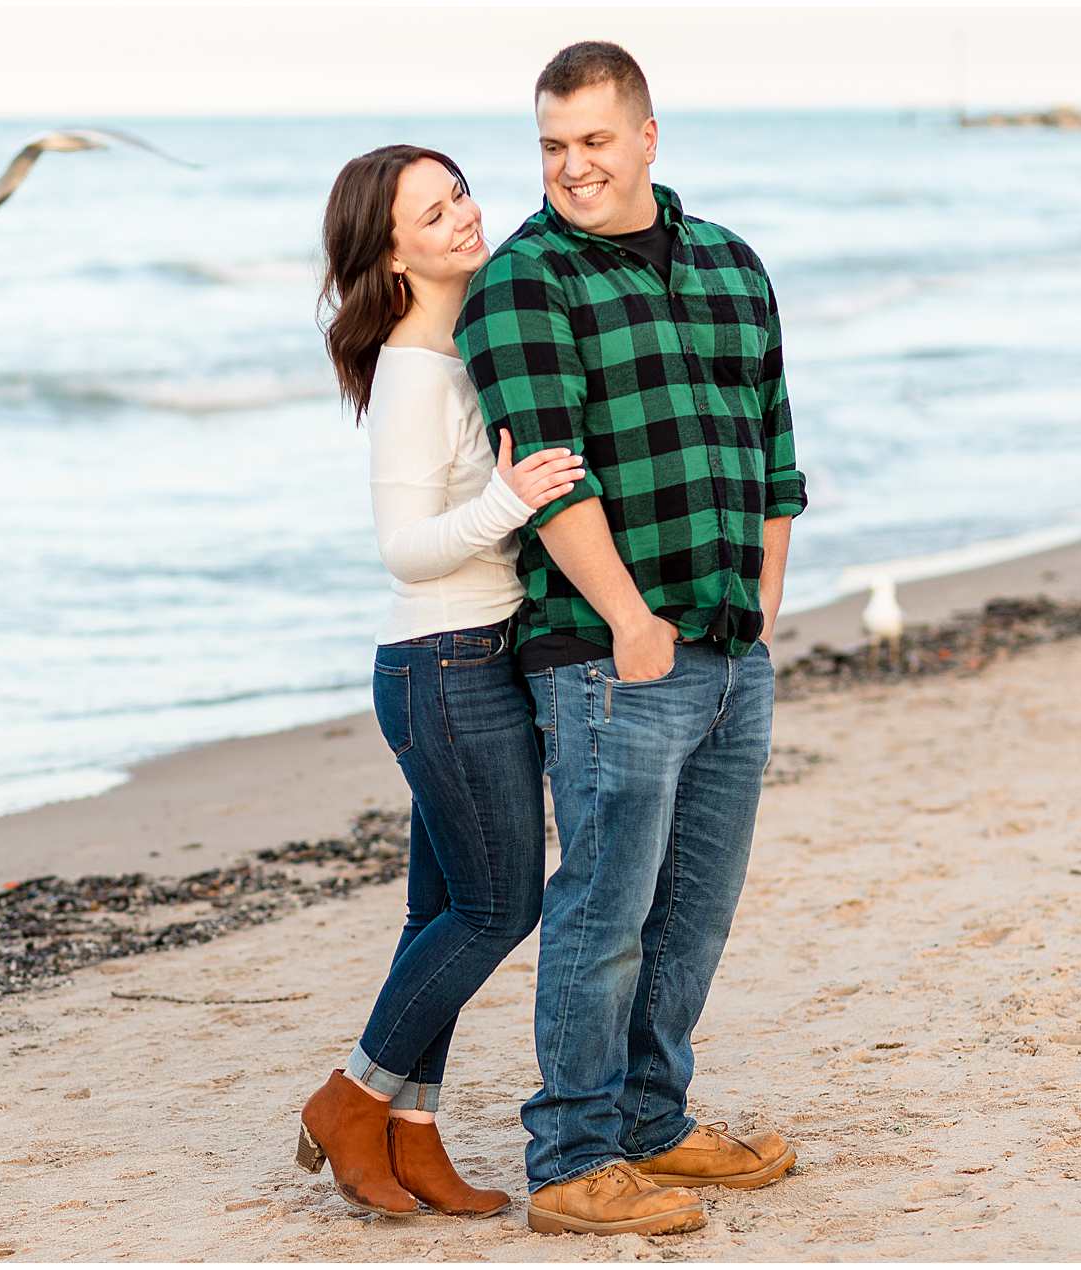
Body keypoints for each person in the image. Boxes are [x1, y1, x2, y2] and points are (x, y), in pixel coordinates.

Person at [454, 41, 808, 1236]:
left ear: (646, 137)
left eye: (594, 141)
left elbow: (773, 450)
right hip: (609, 655)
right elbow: (551, 480)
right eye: (551, 147)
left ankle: (656, 1124)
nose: (571, 168)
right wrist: (628, 619)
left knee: (696, 905)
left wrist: (759, 603)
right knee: (604, 906)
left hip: (725, 647)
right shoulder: (523, 283)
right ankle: (570, 1158)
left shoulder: (727, 262)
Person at [294, 144, 588, 1219]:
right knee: (497, 906)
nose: (462, 216)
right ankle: (352, 1097)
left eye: (459, 191)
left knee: (439, 913)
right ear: (391, 247)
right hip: (443, 663)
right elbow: (406, 547)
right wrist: (511, 498)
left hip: (468, 659)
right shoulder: (416, 367)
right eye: (432, 210)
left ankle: (412, 1138)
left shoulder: (455, 342)